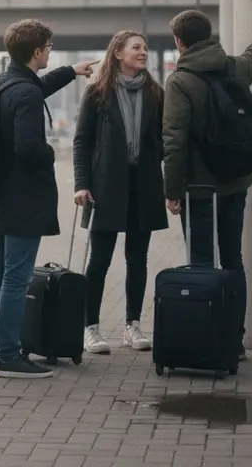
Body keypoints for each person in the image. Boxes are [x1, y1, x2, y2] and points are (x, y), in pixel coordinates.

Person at [0, 19, 98, 379]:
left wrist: (69, 72)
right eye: (48, 48)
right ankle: (9, 356)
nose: (50, 52)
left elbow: (34, 87)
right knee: (15, 279)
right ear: (37, 52)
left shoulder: (5, 82)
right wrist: (50, 154)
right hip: (23, 198)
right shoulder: (24, 93)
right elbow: (29, 147)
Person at [161, 9, 252, 359]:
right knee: (232, 260)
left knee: (200, 262)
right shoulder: (232, 67)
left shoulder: (180, 82)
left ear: (180, 42)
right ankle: (233, 340)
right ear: (208, 36)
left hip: (199, 190)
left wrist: (171, 191)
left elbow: (174, 142)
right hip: (235, 183)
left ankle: (204, 339)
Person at [72, 30, 168, 356]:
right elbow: (82, 141)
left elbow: (164, 140)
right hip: (105, 186)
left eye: (145, 48)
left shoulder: (156, 93)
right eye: (136, 47)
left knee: (137, 259)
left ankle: (133, 326)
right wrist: (80, 184)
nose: (143, 52)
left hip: (144, 185)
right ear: (118, 53)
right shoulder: (97, 92)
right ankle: (90, 328)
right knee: (99, 260)